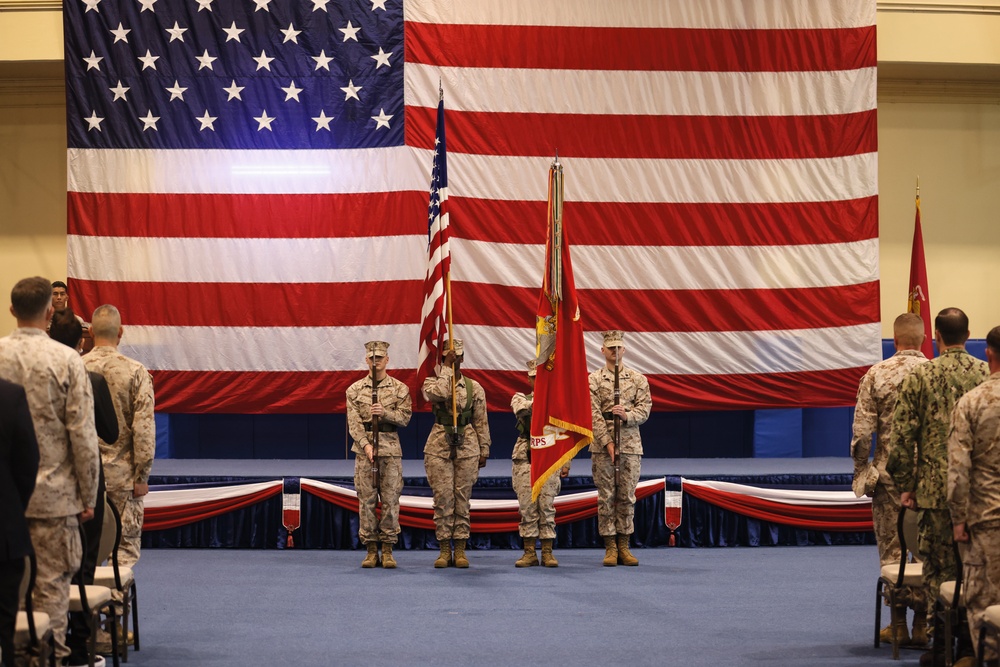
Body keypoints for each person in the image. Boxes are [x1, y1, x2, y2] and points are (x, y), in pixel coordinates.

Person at [0, 277, 100, 664]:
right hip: (55, 501)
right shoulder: (67, 360)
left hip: (6, 500)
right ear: (48, 313)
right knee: (52, 594)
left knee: (6, 601)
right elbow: (83, 434)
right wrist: (88, 495)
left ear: (12, 311)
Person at [887, 308, 989, 666]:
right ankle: (973, 645)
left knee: (940, 570)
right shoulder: (985, 374)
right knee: (976, 568)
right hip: (979, 493)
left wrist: (905, 485)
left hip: (932, 492)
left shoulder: (921, 375)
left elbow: (901, 437)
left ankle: (943, 643)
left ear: (936, 335)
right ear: (969, 334)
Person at [851, 313, 930, 645]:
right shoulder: (936, 373)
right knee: (927, 550)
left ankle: (897, 626)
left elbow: (862, 433)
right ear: (924, 340)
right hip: (929, 479)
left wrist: (862, 469)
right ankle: (924, 627)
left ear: (894, 341)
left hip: (889, 479)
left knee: (893, 552)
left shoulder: (876, 374)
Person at [82, 303, 154, 649]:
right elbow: (143, 429)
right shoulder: (136, 372)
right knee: (121, 555)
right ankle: (112, 630)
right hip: (124, 479)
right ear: (121, 333)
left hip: (84, 480)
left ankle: (86, 629)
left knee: (85, 555)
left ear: (92, 333)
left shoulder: (73, 368)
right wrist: (143, 474)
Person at [50, 308, 119, 667]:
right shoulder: (90, 381)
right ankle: (78, 651)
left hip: (37, 486)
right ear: (81, 342)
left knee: (43, 573)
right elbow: (111, 432)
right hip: (84, 487)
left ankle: (43, 645)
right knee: (83, 569)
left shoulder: (26, 376)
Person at [947, 325, 1000, 667]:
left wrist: (958, 519)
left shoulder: (972, 401)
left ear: (988, 353)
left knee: (983, 608)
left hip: (986, 521)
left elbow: (958, 468)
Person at [421, 339, 491, 568]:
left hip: (467, 445)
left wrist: (484, 449)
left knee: (462, 499)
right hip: (439, 446)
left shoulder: (474, 387)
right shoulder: (432, 382)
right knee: (443, 499)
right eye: (451, 356)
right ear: (442, 358)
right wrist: (447, 370)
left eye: (458, 356)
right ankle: (443, 550)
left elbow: (481, 420)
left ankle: (460, 549)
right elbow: (439, 394)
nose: (456, 359)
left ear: (463, 357)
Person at [345, 341, 412, 569]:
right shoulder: (354, 390)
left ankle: (389, 549)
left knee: (391, 501)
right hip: (366, 453)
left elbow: (405, 418)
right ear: (366, 360)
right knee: (366, 501)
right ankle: (371, 550)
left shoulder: (399, 389)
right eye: (372, 358)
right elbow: (353, 425)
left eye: (380, 358)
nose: (376, 362)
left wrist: (386, 413)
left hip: (391, 451)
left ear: (387, 360)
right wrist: (366, 446)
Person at [589, 330, 651, 567]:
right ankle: (610, 547)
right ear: (602, 350)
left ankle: (624, 544)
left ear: (624, 350)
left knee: (626, 495)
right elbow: (592, 414)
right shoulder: (594, 379)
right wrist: (608, 442)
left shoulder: (637, 379)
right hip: (603, 445)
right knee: (606, 497)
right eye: (610, 348)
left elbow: (645, 409)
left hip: (631, 444)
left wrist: (628, 415)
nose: (615, 352)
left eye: (618, 348)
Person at [511, 359, 568, 567]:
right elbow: (522, 410)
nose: (538, 381)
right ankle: (529, 551)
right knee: (527, 505)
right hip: (526, 455)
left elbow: (565, 432)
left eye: (542, 378)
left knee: (547, 505)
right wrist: (544, 401)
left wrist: (565, 461)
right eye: (535, 378)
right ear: (529, 378)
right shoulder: (520, 398)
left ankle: (547, 551)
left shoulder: (558, 402)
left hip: (550, 453)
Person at [0, 379, 39, 667]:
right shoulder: (9, 394)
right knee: (4, 632)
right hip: (3, 531)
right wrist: (13, 509)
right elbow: (27, 463)